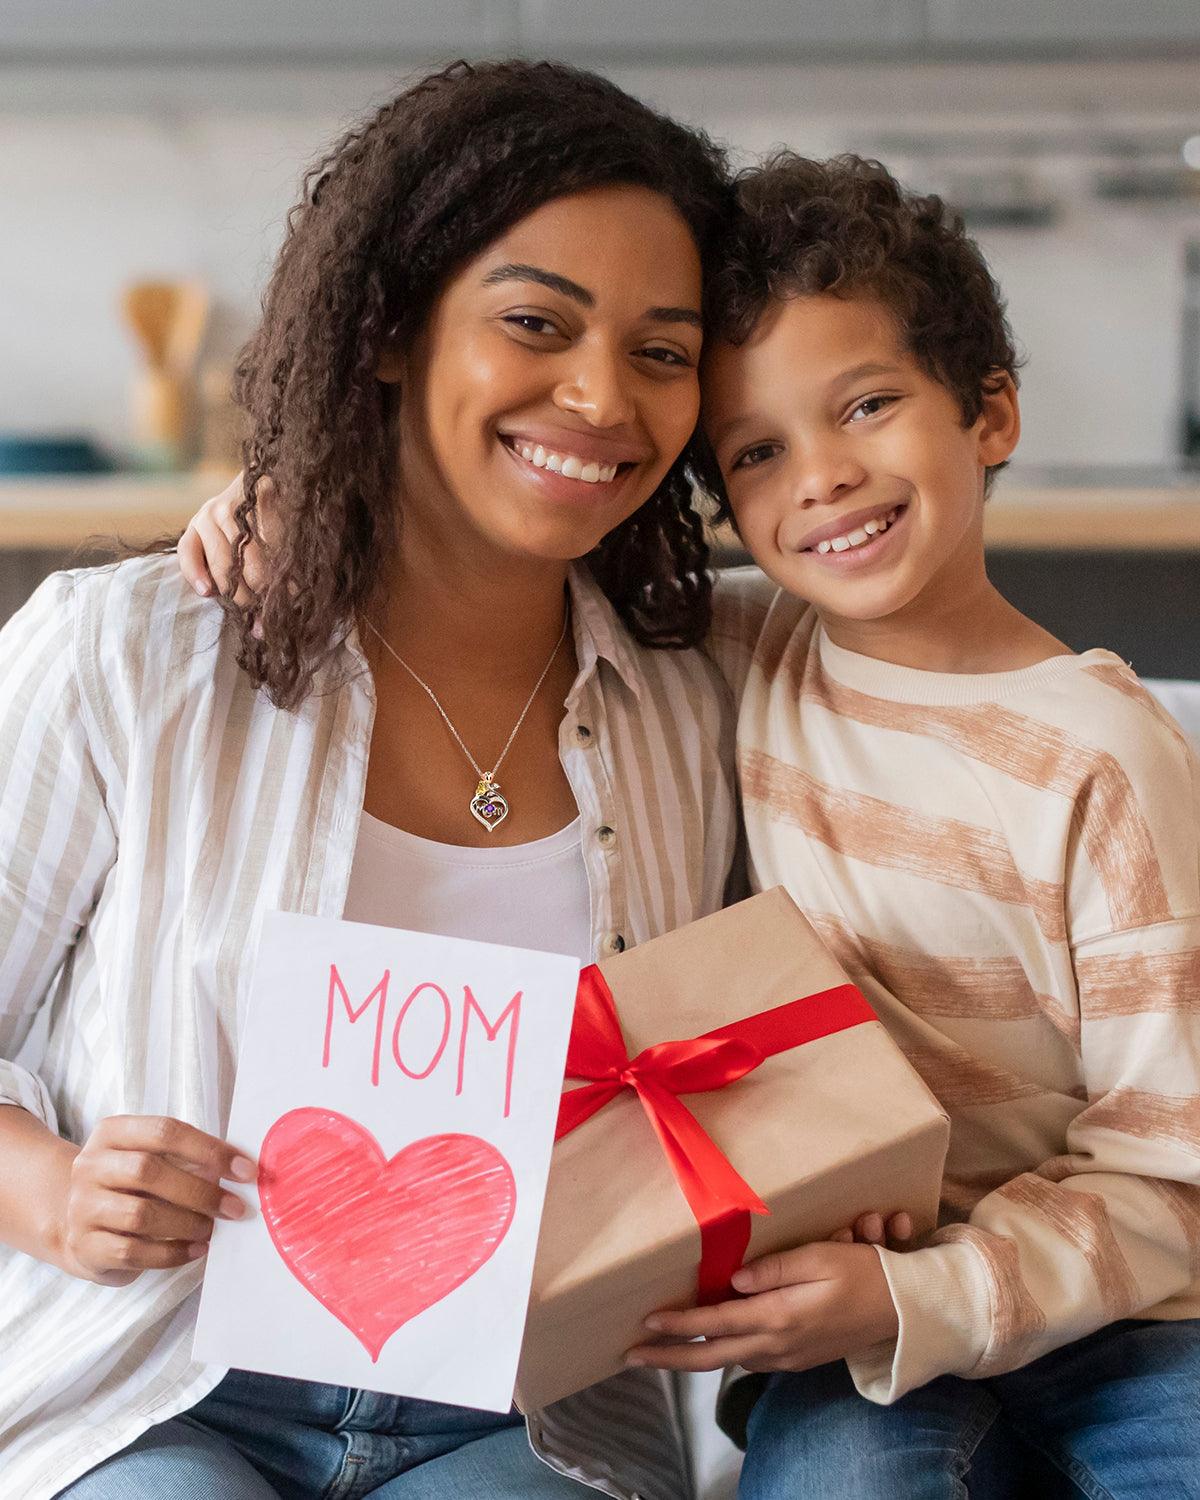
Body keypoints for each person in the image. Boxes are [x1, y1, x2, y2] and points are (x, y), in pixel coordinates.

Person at [0, 58, 752, 1500]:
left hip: (522, 1409)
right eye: (535, 322)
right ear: (390, 328)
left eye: (664, 351)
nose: (602, 396)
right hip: (151, 1387)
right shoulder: (130, 655)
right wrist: (53, 1192)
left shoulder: (701, 693)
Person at [616, 154, 1200, 1498]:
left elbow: (1174, 1172)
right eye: (757, 452)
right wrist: (275, 503)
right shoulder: (741, 650)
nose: (821, 478)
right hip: (846, 1320)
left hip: (1130, 1315)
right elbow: (499, 578)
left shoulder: (1103, 755)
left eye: (866, 406)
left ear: (989, 414)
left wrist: (923, 1295)